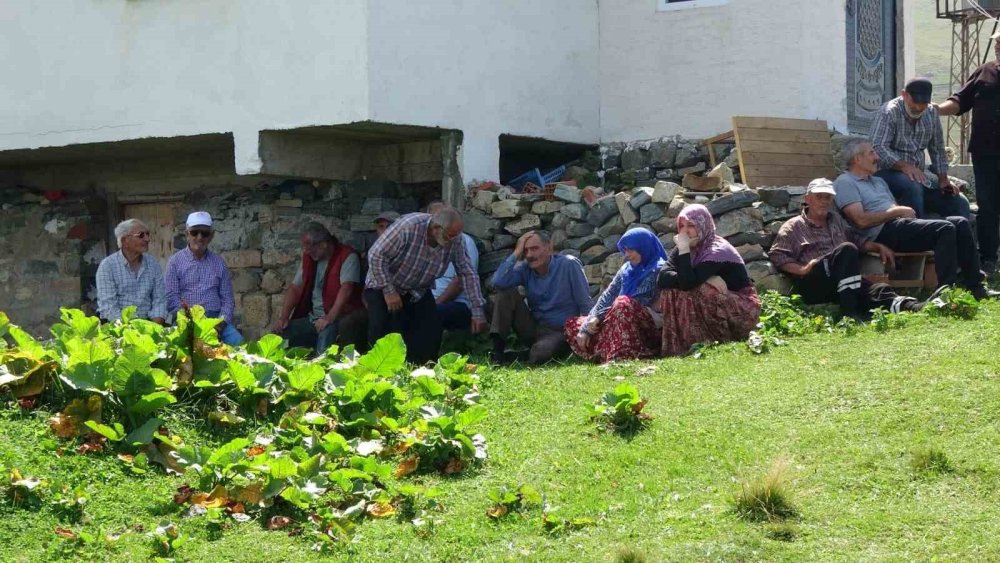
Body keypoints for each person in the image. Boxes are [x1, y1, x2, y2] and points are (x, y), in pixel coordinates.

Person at [833, 138, 997, 300]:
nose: (877, 157)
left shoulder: (878, 181)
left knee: (960, 222)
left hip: (900, 226)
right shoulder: (845, 182)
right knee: (944, 228)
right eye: (872, 153)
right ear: (857, 159)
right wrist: (897, 211)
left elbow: (894, 209)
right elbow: (860, 220)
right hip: (882, 232)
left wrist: (900, 212)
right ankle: (946, 291)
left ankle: (976, 287)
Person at [769, 179, 935, 318]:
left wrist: (877, 246)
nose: (824, 201)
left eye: (828, 197)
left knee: (878, 289)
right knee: (847, 250)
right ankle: (850, 313)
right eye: (819, 196)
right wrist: (803, 269)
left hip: (844, 282)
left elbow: (856, 240)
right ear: (807, 199)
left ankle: (915, 306)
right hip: (816, 280)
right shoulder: (794, 226)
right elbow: (777, 255)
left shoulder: (836, 220)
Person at [364, 208, 487, 364]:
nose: (453, 240)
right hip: (383, 285)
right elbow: (376, 255)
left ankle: (423, 370)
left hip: (418, 289)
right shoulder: (408, 226)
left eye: (456, 236)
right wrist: (389, 291)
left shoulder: (456, 239)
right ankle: (379, 373)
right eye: (449, 236)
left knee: (430, 328)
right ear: (435, 228)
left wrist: (477, 309)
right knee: (382, 331)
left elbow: (467, 272)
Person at [656, 205, 760, 356]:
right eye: (681, 226)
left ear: (703, 225)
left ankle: (713, 340)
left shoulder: (717, 250)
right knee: (669, 291)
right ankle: (683, 346)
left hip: (743, 307)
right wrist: (706, 277)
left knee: (703, 290)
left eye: (691, 225)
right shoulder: (686, 246)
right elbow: (662, 277)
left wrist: (684, 251)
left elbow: (688, 283)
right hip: (721, 300)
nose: (685, 231)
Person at [936, 31, 1000, 273]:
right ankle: (988, 260)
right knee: (988, 207)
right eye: (997, 42)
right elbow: (960, 100)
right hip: (985, 152)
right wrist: (937, 110)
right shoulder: (985, 71)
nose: (998, 46)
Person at [869, 77, 970, 219]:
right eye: (914, 102)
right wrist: (904, 166)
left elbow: (938, 149)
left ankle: (958, 237)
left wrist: (943, 178)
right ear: (904, 95)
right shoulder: (889, 112)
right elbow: (878, 147)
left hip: (920, 174)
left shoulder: (931, 113)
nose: (918, 108)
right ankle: (920, 230)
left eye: (923, 104)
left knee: (959, 201)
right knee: (912, 185)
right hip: (887, 173)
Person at [490, 230, 592, 365]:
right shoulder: (526, 269)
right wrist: (516, 252)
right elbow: (498, 282)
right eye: (525, 251)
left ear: (549, 248)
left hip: (561, 331)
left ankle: (525, 354)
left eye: (534, 248)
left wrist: (587, 334)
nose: (530, 255)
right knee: (505, 293)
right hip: (535, 327)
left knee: (540, 353)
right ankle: (498, 353)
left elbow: (585, 302)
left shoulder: (569, 265)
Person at [566, 228, 666, 363]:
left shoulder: (657, 269)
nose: (627, 255)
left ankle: (623, 355)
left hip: (644, 324)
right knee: (572, 324)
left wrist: (600, 318)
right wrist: (590, 322)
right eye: (625, 250)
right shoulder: (626, 269)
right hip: (615, 315)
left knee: (622, 304)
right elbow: (608, 295)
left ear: (644, 247)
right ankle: (607, 350)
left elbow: (639, 300)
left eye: (631, 250)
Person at [271, 223, 367, 355]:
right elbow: (295, 288)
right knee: (277, 335)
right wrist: (284, 317)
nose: (306, 251)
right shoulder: (309, 259)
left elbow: (347, 288)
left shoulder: (347, 256)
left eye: (310, 247)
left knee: (324, 342)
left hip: (338, 316)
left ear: (323, 244)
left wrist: (329, 317)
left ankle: (321, 369)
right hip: (312, 318)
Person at [164, 211, 244, 345]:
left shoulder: (219, 263)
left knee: (240, 345)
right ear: (186, 234)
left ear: (211, 236)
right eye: (195, 232)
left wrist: (219, 325)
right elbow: (172, 298)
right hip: (186, 320)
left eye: (205, 233)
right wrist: (188, 321)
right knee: (174, 353)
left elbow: (228, 300)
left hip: (215, 320)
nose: (200, 237)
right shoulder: (175, 262)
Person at [95, 219, 168, 324]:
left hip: (149, 325)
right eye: (141, 235)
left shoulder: (153, 264)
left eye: (147, 234)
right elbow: (108, 307)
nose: (147, 239)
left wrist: (152, 329)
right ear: (125, 240)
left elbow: (160, 301)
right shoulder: (107, 266)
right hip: (117, 327)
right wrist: (129, 333)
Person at [426, 201, 480, 331]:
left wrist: (434, 305)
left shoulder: (464, 242)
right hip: (428, 300)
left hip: (455, 304)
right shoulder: (425, 243)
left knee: (430, 315)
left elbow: (460, 282)